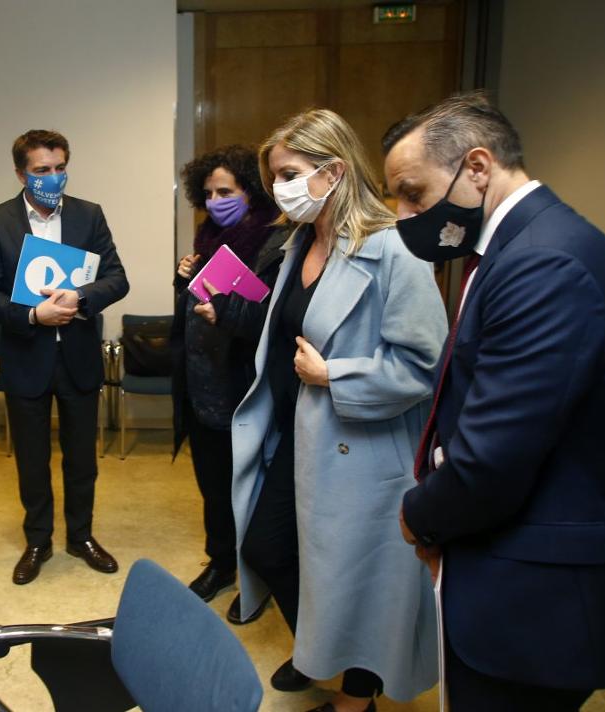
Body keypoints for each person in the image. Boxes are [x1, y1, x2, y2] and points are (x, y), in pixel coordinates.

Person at [384, 91, 605, 709]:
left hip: (536, 588)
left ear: (476, 167)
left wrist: (422, 514)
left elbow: (496, 455)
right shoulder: (517, 249)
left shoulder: (545, 263)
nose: (401, 213)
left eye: (412, 193)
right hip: (510, 558)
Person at [231, 109, 446, 711]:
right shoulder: (299, 239)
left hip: (360, 445)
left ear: (335, 170)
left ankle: (357, 694)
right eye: (275, 175)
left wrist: (335, 375)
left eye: (291, 173)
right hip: (298, 433)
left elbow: (423, 365)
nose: (281, 187)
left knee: (361, 576)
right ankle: (325, 648)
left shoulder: (395, 250)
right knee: (270, 549)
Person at [0, 129, 129, 585]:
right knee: (32, 460)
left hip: (78, 357)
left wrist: (80, 298)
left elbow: (117, 278)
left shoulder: (88, 215)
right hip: (26, 356)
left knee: (82, 459)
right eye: (42, 170)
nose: (53, 177)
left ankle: (80, 536)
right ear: (21, 173)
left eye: (60, 168)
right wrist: (33, 315)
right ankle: (38, 539)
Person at [170, 144, 284, 623]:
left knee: (251, 490)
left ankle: (255, 576)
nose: (217, 200)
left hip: (241, 385)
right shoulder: (207, 237)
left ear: (250, 192)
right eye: (210, 192)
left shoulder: (272, 243)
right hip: (201, 386)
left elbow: (273, 321)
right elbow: (197, 309)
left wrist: (228, 311)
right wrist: (184, 282)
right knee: (213, 487)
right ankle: (221, 563)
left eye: (227, 191)